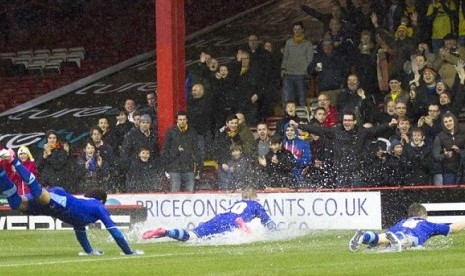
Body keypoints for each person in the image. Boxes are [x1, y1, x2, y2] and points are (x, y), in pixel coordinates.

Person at [0, 148, 142, 256]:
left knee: (16, 204)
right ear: (102, 200)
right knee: (38, 194)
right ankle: (14, 159)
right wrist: (129, 252)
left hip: (51, 209)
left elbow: (81, 234)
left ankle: (1, 170)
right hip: (60, 199)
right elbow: (115, 232)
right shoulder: (99, 206)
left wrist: (90, 251)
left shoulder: (82, 216)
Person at [142, 189, 277, 241]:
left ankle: (166, 232)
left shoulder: (237, 203)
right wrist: (279, 233)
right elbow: (269, 223)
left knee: (191, 235)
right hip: (234, 222)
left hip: (219, 217)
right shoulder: (255, 205)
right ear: (254, 197)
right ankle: (241, 225)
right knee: (248, 230)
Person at [349, 203, 465, 252]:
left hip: (394, 232)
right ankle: (398, 241)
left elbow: (388, 233)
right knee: (409, 239)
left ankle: (364, 236)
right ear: (424, 215)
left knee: (381, 239)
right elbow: (454, 228)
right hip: (409, 237)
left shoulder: (402, 221)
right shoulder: (427, 224)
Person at [161, 111, 200, 192]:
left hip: (189, 168)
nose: (182, 121)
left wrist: (198, 165)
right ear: (177, 120)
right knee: (175, 194)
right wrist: (176, 151)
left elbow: (197, 150)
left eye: (184, 119)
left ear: (187, 120)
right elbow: (165, 151)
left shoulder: (193, 132)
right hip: (174, 168)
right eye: (180, 119)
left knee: (190, 194)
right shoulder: (170, 132)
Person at [281, 21, 314, 106]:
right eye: (295, 29)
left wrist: (307, 71)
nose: (297, 31)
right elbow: (285, 57)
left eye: (299, 29)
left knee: (302, 99)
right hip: (289, 74)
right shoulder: (288, 42)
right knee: (288, 99)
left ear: (302, 30)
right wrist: (283, 69)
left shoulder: (308, 43)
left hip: (301, 75)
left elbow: (310, 59)